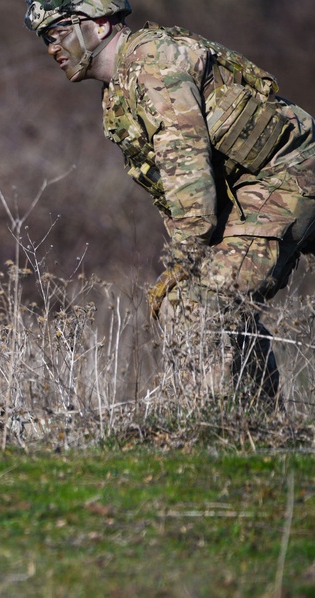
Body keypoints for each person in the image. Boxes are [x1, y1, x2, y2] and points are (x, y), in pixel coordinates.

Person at [23, 0, 315, 404]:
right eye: (45, 40)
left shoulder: (152, 65)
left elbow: (189, 177)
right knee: (201, 302)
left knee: (198, 304)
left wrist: (183, 263)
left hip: (287, 177)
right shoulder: (120, 89)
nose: (52, 48)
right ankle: (252, 430)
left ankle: (214, 430)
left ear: (101, 24)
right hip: (252, 189)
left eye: (57, 33)